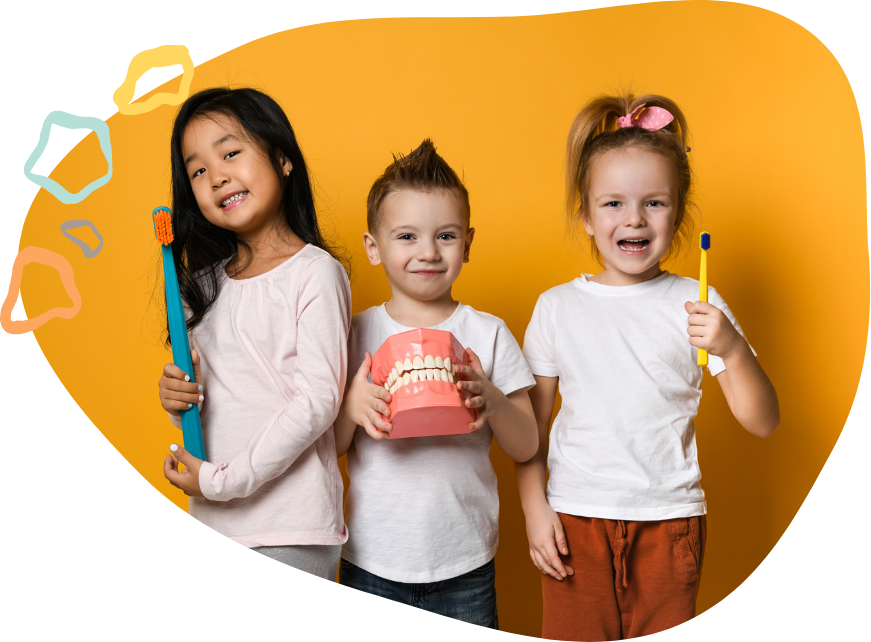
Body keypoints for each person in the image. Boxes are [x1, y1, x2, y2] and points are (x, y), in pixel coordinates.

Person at [516, 93, 780, 641]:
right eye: (612, 203)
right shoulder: (556, 308)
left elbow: (763, 421)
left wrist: (731, 349)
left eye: (653, 203)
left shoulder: (699, 303)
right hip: (573, 520)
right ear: (585, 215)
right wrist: (533, 509)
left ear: (677, 212)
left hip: (670, 523)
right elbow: (529, 431)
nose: (633, 218)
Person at [333, 139, 539, 628]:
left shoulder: (486, 333)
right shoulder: (354, 333)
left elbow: (528, 444)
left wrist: (492, 400)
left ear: (467, 243)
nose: (427, 252)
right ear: (373, 248)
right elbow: (331, 447)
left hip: (464, 563)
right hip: (370, 561)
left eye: (445, 236)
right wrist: (350, 409)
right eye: (407, 237)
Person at [156, 87, 351, 580]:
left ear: (282, 159)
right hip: (212, 515)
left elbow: (317, 404)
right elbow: (217, 395)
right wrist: (178, 394)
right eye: (197, 170)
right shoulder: (199, 288)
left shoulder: (315, 274)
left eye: (231, 152)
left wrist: (226, 481)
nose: (216, 175)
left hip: (290, 529)